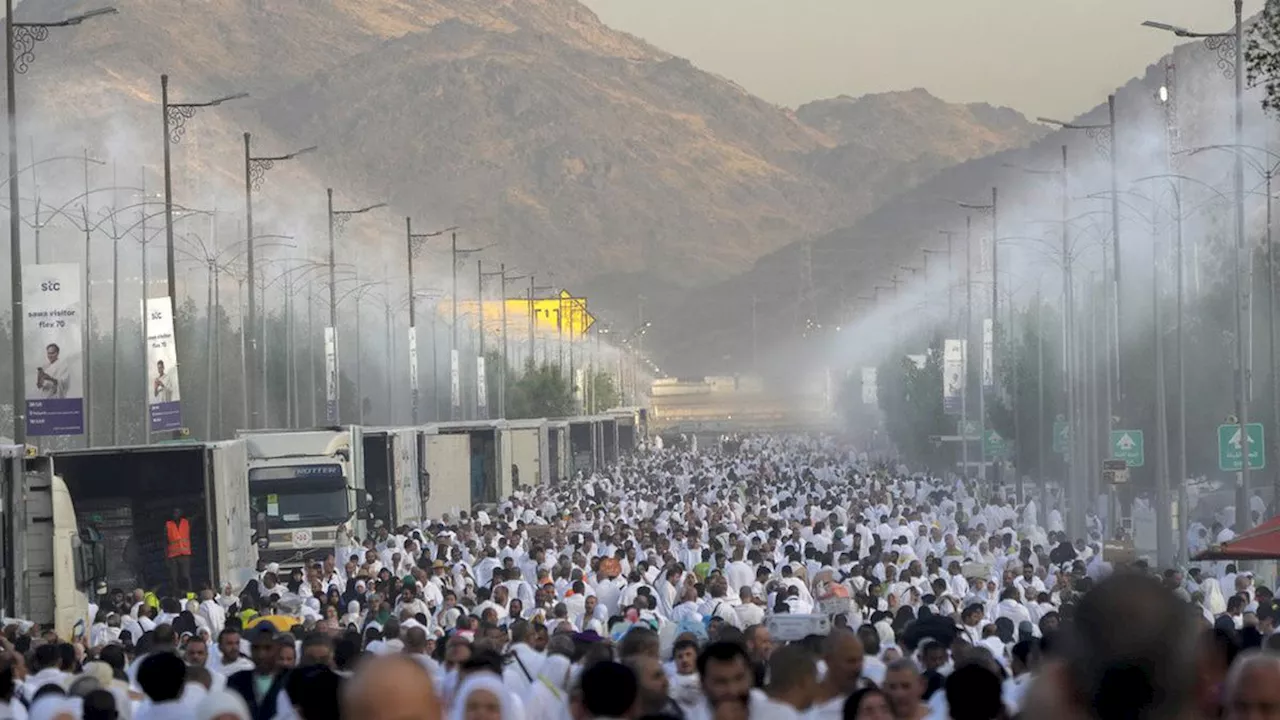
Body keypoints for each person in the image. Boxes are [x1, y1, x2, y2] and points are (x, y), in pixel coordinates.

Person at [226, 626, 287, 720]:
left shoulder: (292, 681)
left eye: (267, 648)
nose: (261, 655)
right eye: (256, 648)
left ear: (278, 649)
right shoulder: (236, 681)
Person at [165, 508, 194, 595]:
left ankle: (189, 594)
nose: (175, 514)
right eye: (174, 512)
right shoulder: (168, 525)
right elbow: (165, 542)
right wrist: (166, 557)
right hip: (173, 556)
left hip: (184, 554)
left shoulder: (186, 522)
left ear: (181, 513)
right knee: (174, 578)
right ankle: (176, 595)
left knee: (186, 576)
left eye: (177, 512)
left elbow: (196, 517)